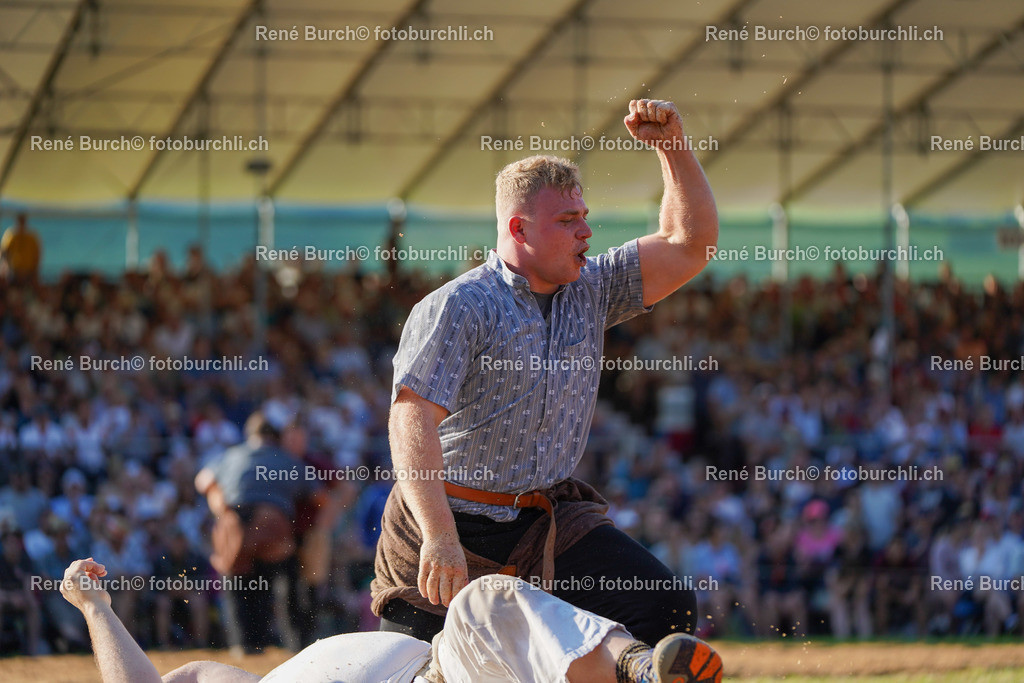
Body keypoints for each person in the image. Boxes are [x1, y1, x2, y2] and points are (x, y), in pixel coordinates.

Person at [373, 98, 718, 647]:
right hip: (450, 521)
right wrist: (439, 536)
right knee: (413, 665)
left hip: (547, 519)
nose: (586, 231)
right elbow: (410, 418)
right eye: (567, 220)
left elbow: (690, 244)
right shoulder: (460, 305)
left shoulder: (594, 287)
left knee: (663, 606)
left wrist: (671, 147)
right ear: (519, 229)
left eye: (583, 216)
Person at [60, 558, 723, 683]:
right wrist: (95, 608)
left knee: (485, 600)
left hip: (447, 674)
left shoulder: (246, 678)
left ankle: (641, 669)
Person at [195, 411, 321, 652]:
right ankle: (296, 644)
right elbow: (318, 497)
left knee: (235, 581)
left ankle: (242, 645)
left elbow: (203, 480)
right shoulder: (287, 459)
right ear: (274, 437)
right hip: (272, 522)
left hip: (232, 521)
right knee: (284, 581)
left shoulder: (230, 455)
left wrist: (219, 506)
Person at [0, 212, 41, 283]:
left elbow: (37, 255)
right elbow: (4, 252)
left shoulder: (31, 237)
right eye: (20, 221)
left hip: (29, 272)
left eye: (22, 221)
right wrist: (7, 267)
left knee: (38, 285)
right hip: (13, 271)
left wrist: (34, 270)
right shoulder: (11, 236)